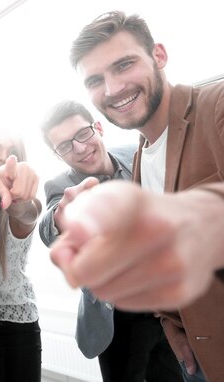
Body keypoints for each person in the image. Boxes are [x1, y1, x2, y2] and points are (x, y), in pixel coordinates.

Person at [50, 10, 224, 381]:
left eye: (124, 64)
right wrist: (171, 320)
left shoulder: (217, 107)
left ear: (158, 56)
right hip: (193, 349)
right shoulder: (144, 155)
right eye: (96, 80)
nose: (113, 89)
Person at [39, 100, 181, 381]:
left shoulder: (137, 154)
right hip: (117, 319)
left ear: (99, 128)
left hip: (166, 308)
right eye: (65, 146)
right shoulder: (60, 186)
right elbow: (50, 228)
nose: (79, 148)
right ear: (57, 155)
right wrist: (60, 218)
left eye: (82, 134)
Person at [0, 129, 42, 381]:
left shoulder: (26, 199)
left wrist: (18, 201)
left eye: (12, 152)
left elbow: (27, 213)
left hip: (16, 327)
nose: (3, 157)